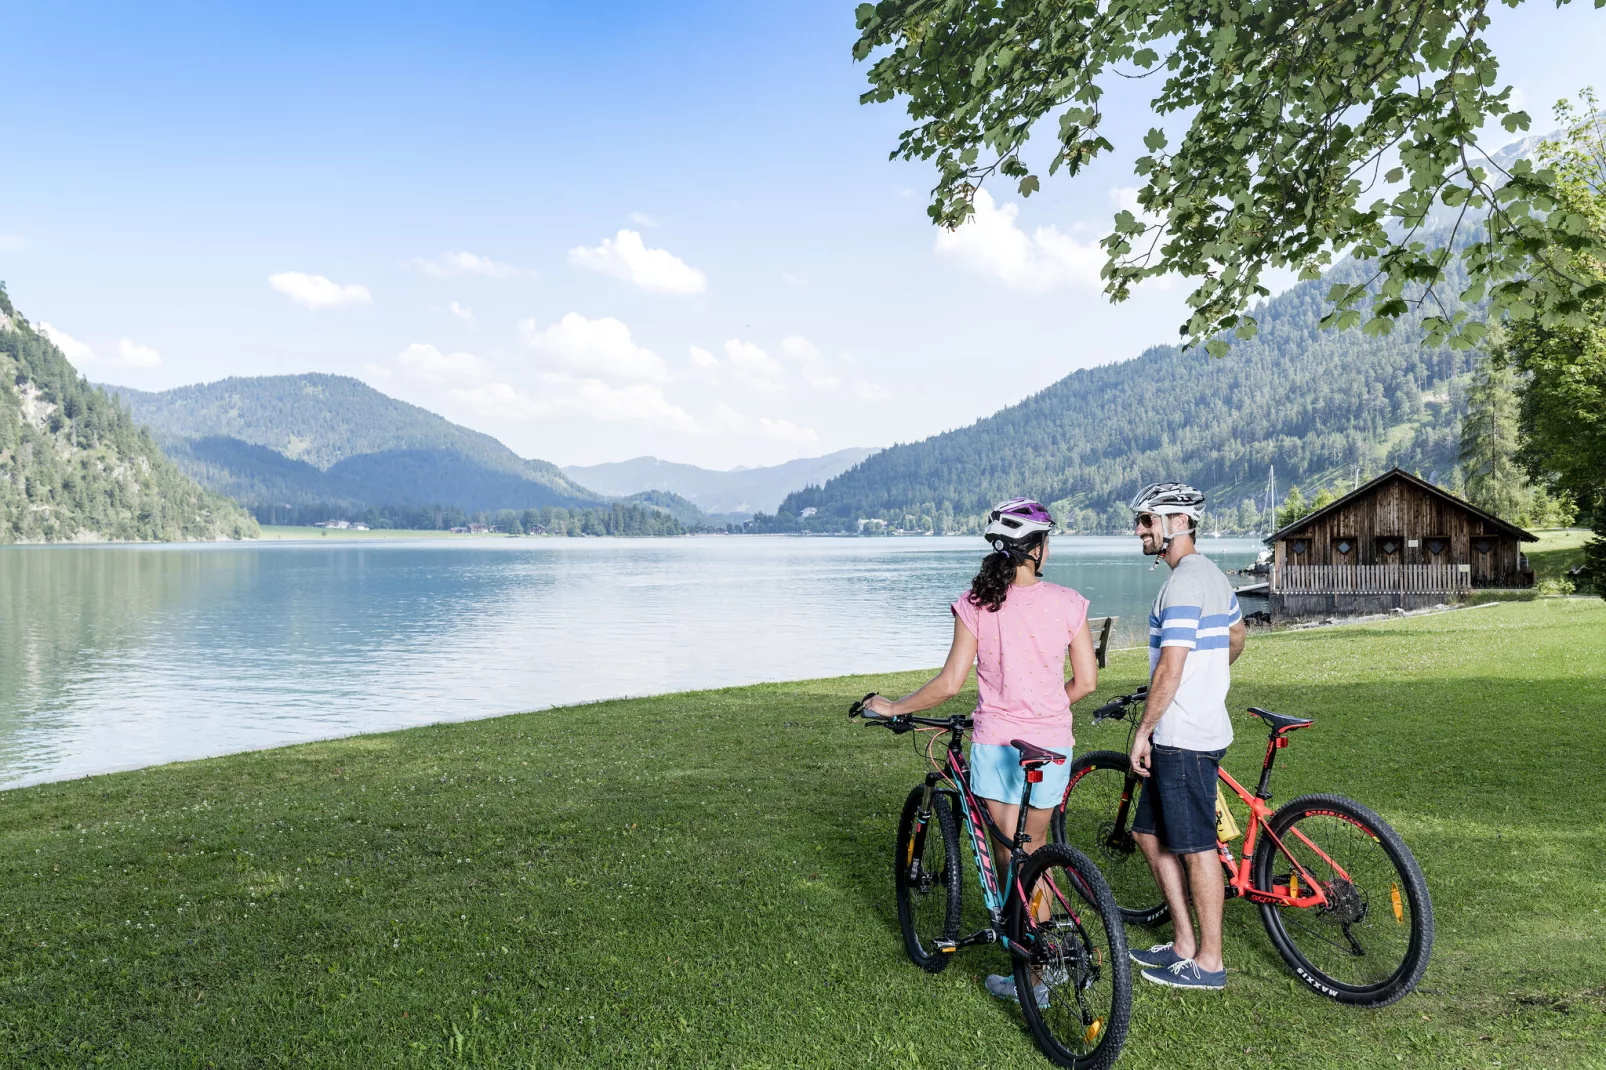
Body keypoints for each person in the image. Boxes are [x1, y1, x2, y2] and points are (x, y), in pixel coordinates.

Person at [864, 497, 1098, 1005]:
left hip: (998, 744)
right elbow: (1087, 681)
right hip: (1053, 744)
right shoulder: (1069, 602)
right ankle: (1046, 959)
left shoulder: (976, 602)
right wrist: (1046, 705)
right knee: (1034, 852)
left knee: (1009, 856)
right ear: (1035, 550)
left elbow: (950, 683)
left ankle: (1032, 976)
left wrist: (893, 706)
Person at [1124, 482, 1246, 991]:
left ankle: (1210, 963)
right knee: (1148, 834)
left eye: (1147, 521)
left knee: (1196, 848)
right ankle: (1182, 943)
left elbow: (1171, 666)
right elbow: (1237, 636)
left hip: (1184, 737)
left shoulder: (1182, 585)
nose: (1139, 531)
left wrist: (1144, 728)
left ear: (1176, 522)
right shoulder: (1210, 576)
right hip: (1194, 729)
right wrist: (1209, 675)